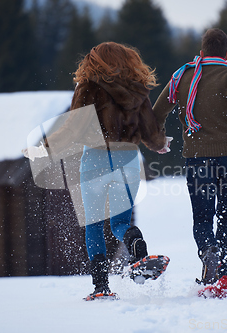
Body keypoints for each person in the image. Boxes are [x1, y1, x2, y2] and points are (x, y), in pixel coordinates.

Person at [24, 42, 172, 299]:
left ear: (95, 62)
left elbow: (71, 129)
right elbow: (151, 132)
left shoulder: (88, 87)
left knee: (93, 224)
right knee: (121, 222)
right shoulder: (137, 89)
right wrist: (160, 144)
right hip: (127, 158)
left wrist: (44, 150)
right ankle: (137, 247)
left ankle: (101, 288)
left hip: (95, 159)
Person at [152, 28, 227, 285]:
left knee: (202, 216)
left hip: (197, 158)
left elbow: (158, 111)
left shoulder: (183, 76)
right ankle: (223, 273)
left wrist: (157, 138)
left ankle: (208, 252)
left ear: (202, 52)